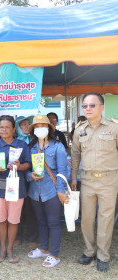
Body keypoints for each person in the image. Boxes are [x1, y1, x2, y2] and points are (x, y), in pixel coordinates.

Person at [71, 92, 118, 272]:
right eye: (85, 106)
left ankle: (103, 256)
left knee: (105, 219)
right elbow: (75, 155)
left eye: (92, 105)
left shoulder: (114, 128)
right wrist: (74, 177)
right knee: (87, 219)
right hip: (88, 179)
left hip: (109, 179)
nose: (88, 109)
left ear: (102, 107)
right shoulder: (79, 129)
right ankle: (89, 251)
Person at [0, 115, 30, 264]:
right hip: (0, 186)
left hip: (16, 186)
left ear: (13, 129)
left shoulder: (21, 145)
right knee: (1, 219)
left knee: (13, 220)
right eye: (1, 127)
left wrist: (19, 166)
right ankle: (2, 248)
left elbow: (28, 165)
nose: (4, 130)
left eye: (7, 127)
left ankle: (10, 249)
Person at [26, 115, 68, 268]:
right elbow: (26, 169)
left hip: (52, 191)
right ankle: (44, 249)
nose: (40, 128)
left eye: (43, 125)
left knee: (53, 223)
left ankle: (54, 255)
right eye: (37, 126)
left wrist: (61, 190)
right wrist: (29, 176)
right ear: (33, 130)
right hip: (35, 191)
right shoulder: (30, 148)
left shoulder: (58, 146)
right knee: (41, 221)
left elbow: (63, 170)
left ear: (49, 128)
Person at [14, 116, 38, 248]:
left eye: (29, 124)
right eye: (23, 124)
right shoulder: (15, 142)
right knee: (17, 210)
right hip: (18, 179)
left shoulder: (35, 141)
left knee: (31, 209)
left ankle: (32, 237)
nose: (26, 127)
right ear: (18, 127)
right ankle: (17, 236)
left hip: (34, 180)